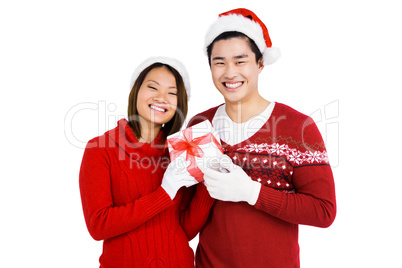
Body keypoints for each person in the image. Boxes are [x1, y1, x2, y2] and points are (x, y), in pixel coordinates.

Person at [187, 8, 337, 268]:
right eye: (219, 62)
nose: (230, 73)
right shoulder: (200, 125)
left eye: (240, 61)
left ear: (260, 64)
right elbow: (185, 221)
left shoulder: (298, 127)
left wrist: (252, 192)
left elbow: (323, 211)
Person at [79, 57, 213, 267]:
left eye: (172, 93)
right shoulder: (101, 149)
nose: (162, 98)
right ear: (136, 91)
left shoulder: (178, 151)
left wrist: (207, 183)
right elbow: (99, 225)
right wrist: (165, 192)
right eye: (153, 87)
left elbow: (184, 230)